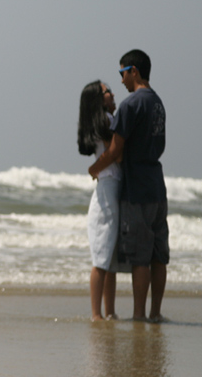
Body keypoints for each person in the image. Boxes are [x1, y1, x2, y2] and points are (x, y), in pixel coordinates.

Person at [89, 49, 168, 322]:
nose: (121, 80)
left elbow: (114, 150)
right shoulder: (158, 103)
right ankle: (155, 313)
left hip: (137, 188)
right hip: (157, 185)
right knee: (159, 256)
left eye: (122, 73)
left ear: (134, 71)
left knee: (140, 258)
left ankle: (138, 316)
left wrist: (94, 169)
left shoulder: (130, 104)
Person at [78, 80, 127, 321]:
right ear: (99, 99)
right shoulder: (107, 121)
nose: (113, 94)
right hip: (107, 189)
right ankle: (98, 314)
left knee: (108, 258)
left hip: (109, 187)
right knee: (102, 258)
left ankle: (108, 312)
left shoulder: (105, 121)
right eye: (108, 92)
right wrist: (96, 167)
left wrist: (94, 167)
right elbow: (115, 154)